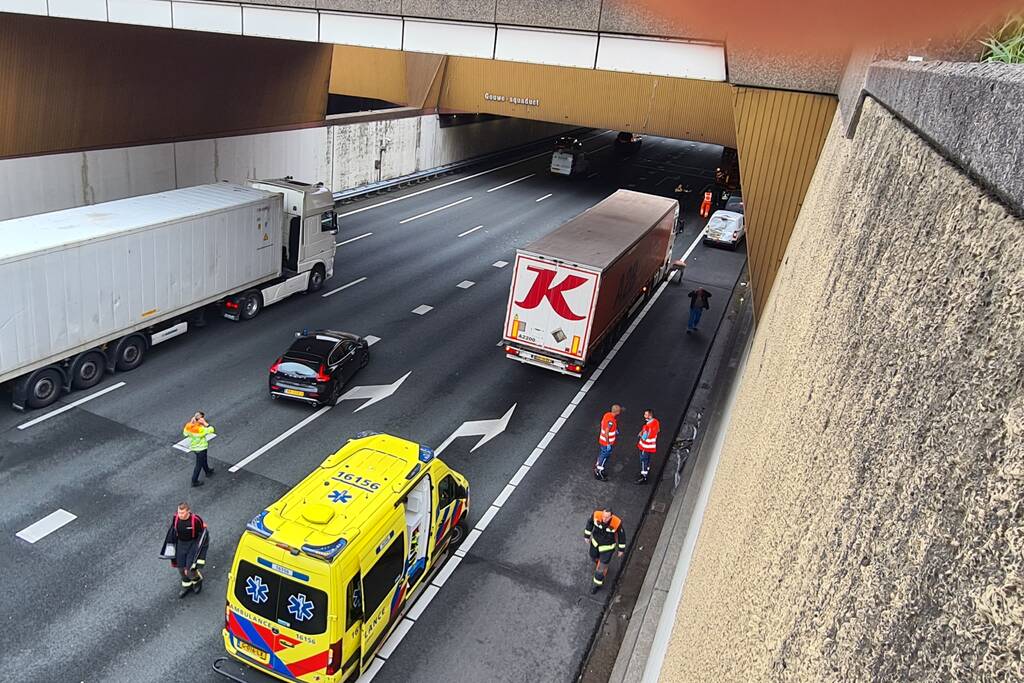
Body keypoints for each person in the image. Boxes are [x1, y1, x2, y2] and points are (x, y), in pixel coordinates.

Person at [163, 502, 209, 598]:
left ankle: (197, 581)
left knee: (190, 570)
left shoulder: (196, 520)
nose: (180, 515)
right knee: (180, 569)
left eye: (182, 513)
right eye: (179, 512)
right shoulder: (176, 518)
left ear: (188, 511)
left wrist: (200, 552)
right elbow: (173, 531)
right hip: (181, 545)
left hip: (192, 545)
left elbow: (203, 534)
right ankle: (187, 585)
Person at [584, 509, 627, 594]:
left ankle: (597, 585)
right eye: (603, 516)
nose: (604, 519)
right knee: (593, 556)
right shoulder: (596, 515)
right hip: (595, 544)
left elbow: (622, 536)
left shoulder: (616, 522)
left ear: (611, 516)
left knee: (600, 570)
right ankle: (600, 564)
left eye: (607, 517)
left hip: (607, 548)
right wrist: (587, 536)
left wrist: (621, 549)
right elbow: (590, 523)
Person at [183, 412, 215, 487]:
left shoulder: (188, 426)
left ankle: (207, 471)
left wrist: (191, 423)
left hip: (194, 447)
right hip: (201, 448)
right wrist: (205, 423)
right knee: (199, 465)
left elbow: (185, 433)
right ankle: (194, 481)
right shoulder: (200, 429)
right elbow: (211, 430)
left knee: (203, 459)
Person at [594, 405, 622, 481]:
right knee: (604, 456)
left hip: (603, 440)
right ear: (617, 412)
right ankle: (599, 471)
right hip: (606, 442)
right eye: (619, 410)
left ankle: (598, 467)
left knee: (602, 453)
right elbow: (607, 431)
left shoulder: (607, 415)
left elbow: (603, 424)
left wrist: (614, 429)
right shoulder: (610, 421)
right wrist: (608, 443)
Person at [636, 409, 660, 484]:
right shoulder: (656, 422)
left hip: (645, 446)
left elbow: (644, 437)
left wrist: (641, 434)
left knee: (643, 460)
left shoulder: (647, 427)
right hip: (651, 446)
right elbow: (658, 430)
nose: (644, 416)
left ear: (650, 416)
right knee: (648, 458)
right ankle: (647, 469)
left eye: (646, 415)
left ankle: (644, 476)